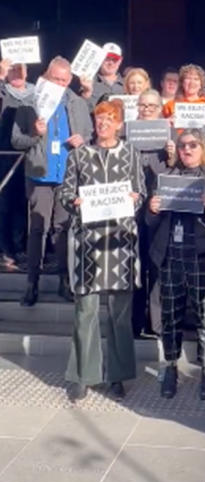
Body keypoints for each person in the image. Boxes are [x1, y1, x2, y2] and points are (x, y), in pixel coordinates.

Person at [58, 99, 145, 402]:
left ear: (120, 124)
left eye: (110, 119)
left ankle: (118, 375)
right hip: (87, 244)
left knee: (120, 314)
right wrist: (74, 202)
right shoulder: (79, 155)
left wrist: (135, 198)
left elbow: (141, 193)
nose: (103, 124)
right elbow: (65, 193)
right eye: (99, 119)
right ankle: (83, 375)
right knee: (86, 311)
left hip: (121, 243)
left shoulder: (131, 154)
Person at [145, 128, 205, 400]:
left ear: (202, 147)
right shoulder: (167, 178)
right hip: (171, 253)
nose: (187, 149)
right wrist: (152, 209)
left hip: (203, 255)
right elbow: (150, 223)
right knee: (170, 315)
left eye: (193, 145)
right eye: (183, 145)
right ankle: (170, 367)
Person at [12, 56, 94, 306]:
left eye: (63, 79)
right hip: (39, 174)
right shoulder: (29, 102)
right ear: (46, 76)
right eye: (55, 78)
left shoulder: (78, 103)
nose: (59, 83)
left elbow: (89, 134)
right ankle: (32, 283)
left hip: (68, 175)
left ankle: (64, 281)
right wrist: (35, 134)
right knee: (38, 228)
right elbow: (16, 141)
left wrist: (83, 140)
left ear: (70, 80)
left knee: (64, 230)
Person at [132, 88, 171, 339]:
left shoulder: (169, 136)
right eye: (143, 106)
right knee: (136, 265)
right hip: (132, 209)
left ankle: (155, 323)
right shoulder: (128, 133)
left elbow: (175, 171)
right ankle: (135, 322)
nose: (147, 110)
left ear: (160, 109)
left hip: (158, 208)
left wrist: (172, 155)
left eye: (152, 106)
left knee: (157, 264)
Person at [0, 59, 34, 270]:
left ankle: (20, 247)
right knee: (4, 204)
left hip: (29, 154)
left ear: (27, 73)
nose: (17, 73)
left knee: (24, 202)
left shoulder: (37, 93)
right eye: (13, 70)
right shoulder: (3, 92)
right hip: (4, 154)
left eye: (21, 69)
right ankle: (5, 249)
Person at [79, 42, 125, 109]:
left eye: (115, 60)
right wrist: (86, 92)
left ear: (120, 61)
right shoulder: (88, 81)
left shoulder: (127, 83)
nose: (110, 63)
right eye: (107, 59)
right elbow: (80, 108)